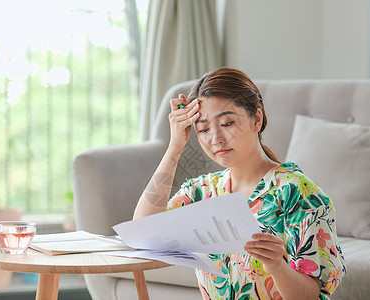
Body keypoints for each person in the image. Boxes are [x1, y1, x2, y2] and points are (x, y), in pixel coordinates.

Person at [133, 67, 346, 300]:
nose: (215, 138)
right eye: (203, 129)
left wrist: (277, 267)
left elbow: (312, 296)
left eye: (227, 123)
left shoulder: (299, 194)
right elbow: (143, 234)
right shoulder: (202, 193)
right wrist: (175, 146)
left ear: (256, 119)